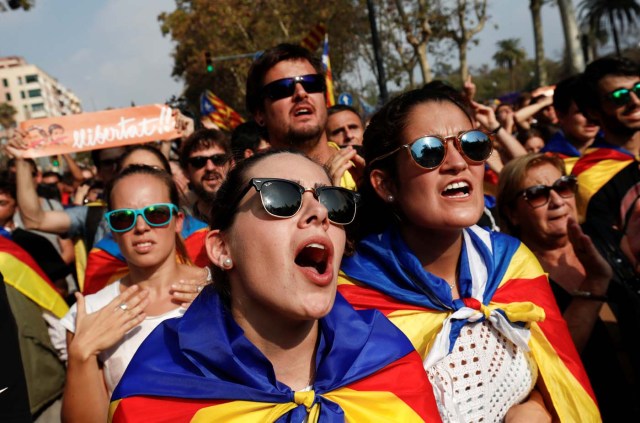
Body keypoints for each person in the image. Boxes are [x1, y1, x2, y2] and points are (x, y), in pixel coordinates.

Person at [109, 151, 440, 422]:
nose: (320, 212)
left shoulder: (388, 358)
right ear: (222, 249)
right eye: (281, 197)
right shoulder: (156, 392)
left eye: (333, 201)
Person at [337, 82, 599, 422]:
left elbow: (560, 379)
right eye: (429, 151)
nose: (457, 163)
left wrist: (535, 406)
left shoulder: (512, 262)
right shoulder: (348, 302)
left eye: (473, 144)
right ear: (385, 184)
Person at [60, 165, 211, 422]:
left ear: (178, 221)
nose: (141, 226)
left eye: (156, 213)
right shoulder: (90, 312)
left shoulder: (224, 290)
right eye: (123, 218)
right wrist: (81, 354)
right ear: (111, 229)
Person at [496, 153, 634, 419]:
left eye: (563, 186)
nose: (557, 200)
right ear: (512, 213)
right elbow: (552, 366)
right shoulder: (512, 278)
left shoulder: (607, 238)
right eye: (537, 194)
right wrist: (595, 281)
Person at [245, 43, 364, 188]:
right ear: (259, 114)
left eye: (311, 84)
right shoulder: (255, 189)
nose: (301, 93)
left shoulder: (370, 165)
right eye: (282, 88)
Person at [541, 76, 600, 173]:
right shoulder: (548, 161)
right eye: (582, 112)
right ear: (560, 115)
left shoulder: (618, 149)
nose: (591, 118)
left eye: (595, 110)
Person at [178, 128, 234, 221]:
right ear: (186, 172)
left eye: (218, 159)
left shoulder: (252, 212)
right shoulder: (181, 227)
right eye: (198, 161)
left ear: (231, 164)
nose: (210, 167)